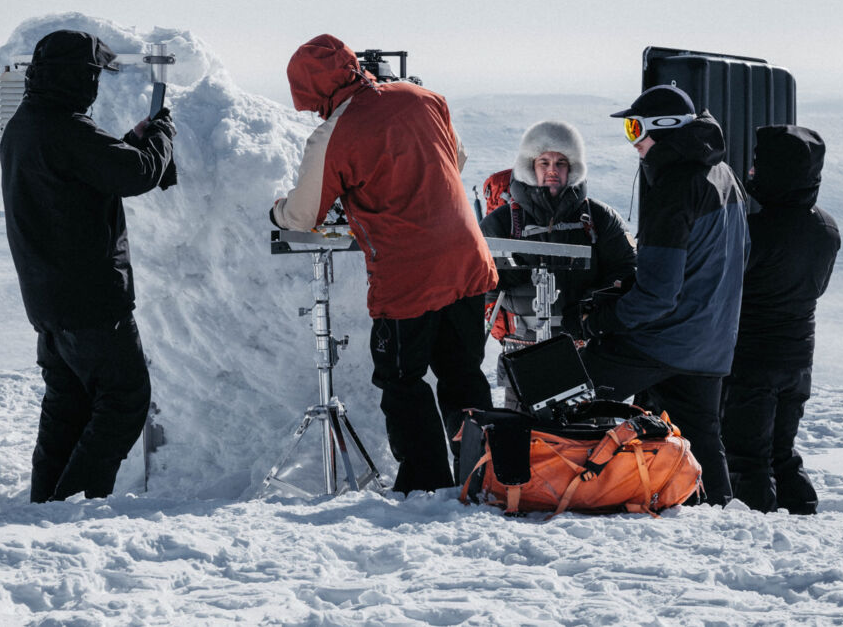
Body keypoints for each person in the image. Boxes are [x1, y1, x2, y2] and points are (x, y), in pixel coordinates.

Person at [270, 34, 497, 494]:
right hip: (468, 263)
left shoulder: (334, 132)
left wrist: (276, 209)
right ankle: (484, 475)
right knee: (462, 375)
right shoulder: (424, 97)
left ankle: (426, 484)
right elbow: (458, 159)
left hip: (408, 275)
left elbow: (302, 214)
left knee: (401, 379)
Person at [0, 29, 177, 503]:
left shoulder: (26, 124)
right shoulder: (67, 128)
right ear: (81, 79)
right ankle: (73, 502)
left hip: (48, 301)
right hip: (92, 300)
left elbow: (82, 174)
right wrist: (160, 133)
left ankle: (47, 504)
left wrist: (129, 143)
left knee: (68, 406)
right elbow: (136, 174)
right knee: (124, 402)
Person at [578, 84, 749, 505]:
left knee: (568, 392)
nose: (633, 142)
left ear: (666, 128)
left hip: (663, 339)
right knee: (702, 441)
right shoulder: (722, 173)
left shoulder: (673, 186)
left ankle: (572, 493)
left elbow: (656, 298)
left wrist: (599, 319)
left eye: (636, 128)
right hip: (710, 344)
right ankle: (720, 520)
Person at [723, 125, 840, 514]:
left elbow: (724, 288)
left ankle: (758, 533)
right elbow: (817, 289)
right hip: (798, 360)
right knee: (782, 454)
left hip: (753, 361)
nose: (752, 174)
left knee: (748, 459)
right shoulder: (826, 228)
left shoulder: (755, 232)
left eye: (758, 167)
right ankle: (803, 513)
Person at [480, 120, 636, 409]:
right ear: (531, 165)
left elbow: (626, 272)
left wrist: (591, 309)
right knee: (525, 436)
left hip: (586, 352)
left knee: (584, 436)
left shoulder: (600, 219)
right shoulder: (501, 222)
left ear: (573, 167)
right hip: (523, 350)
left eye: (561, 162)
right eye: (544, 161)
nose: (552, 169)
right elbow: (477, 280)